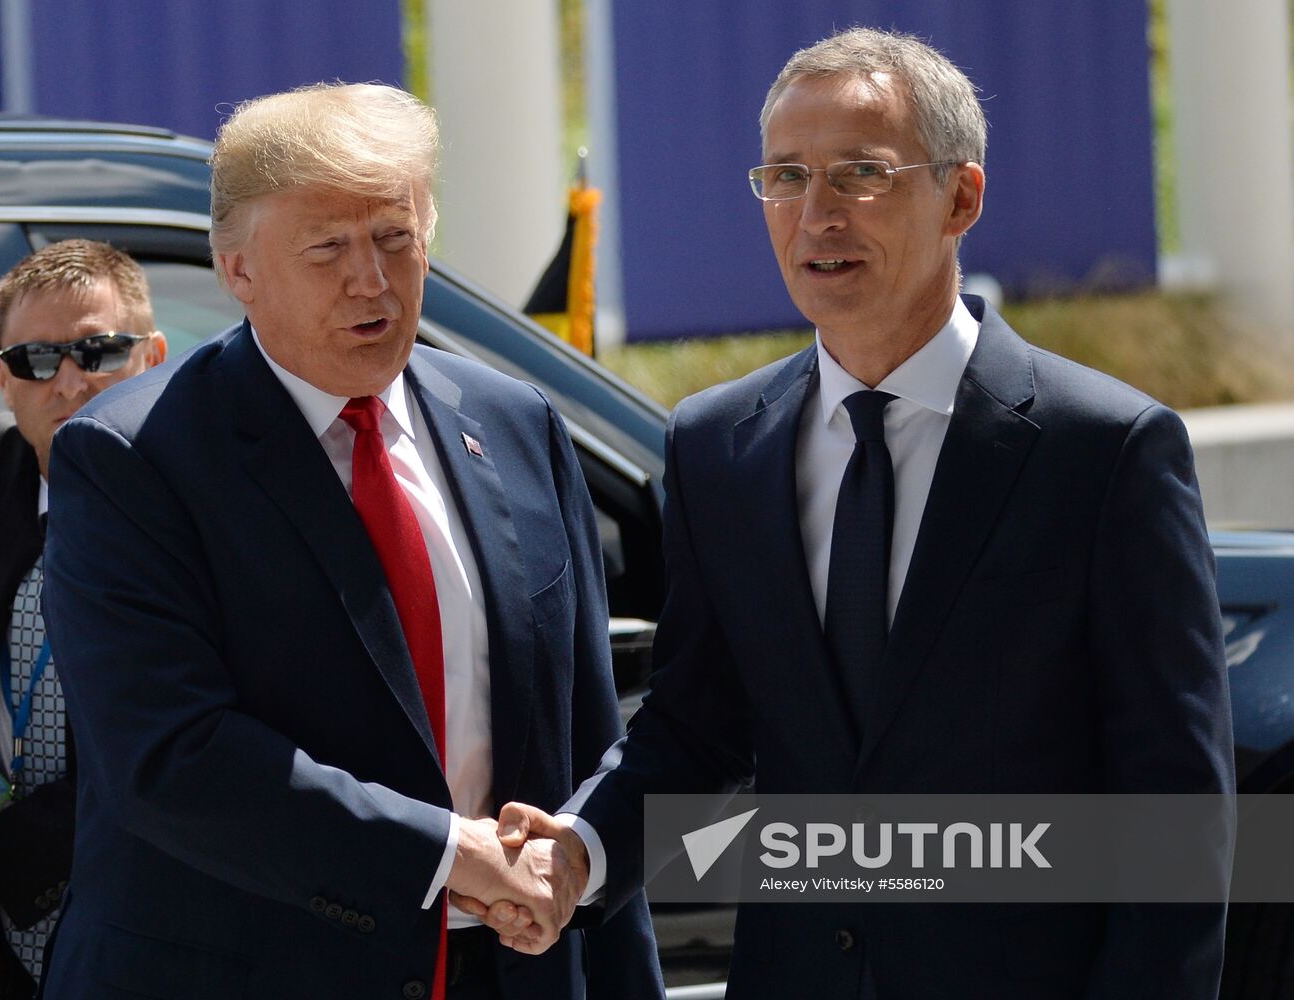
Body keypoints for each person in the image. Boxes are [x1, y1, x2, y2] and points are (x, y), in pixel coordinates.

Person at [489, 27, 1235, 1000]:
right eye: (786, 176)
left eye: (860, 174)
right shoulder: (716, 446)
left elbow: (1174, 817)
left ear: (960, 195)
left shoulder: (1103, 449)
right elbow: (696, 729)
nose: (817, 214)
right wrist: (579, 852)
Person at [38, 83, 661, 1000]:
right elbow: (170, 755)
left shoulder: (515, 422)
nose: (370, 279)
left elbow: (582, 728)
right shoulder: (134, 458)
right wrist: (447, 854)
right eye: (327, 248)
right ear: (238, 270)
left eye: (396, 239)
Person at [0, 239, 167, 999]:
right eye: (38, 359)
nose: (71, 382)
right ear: (3, 377)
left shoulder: (216, 521)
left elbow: (174, 754)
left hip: (151, 930)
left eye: (100, 350)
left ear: (155, 358)